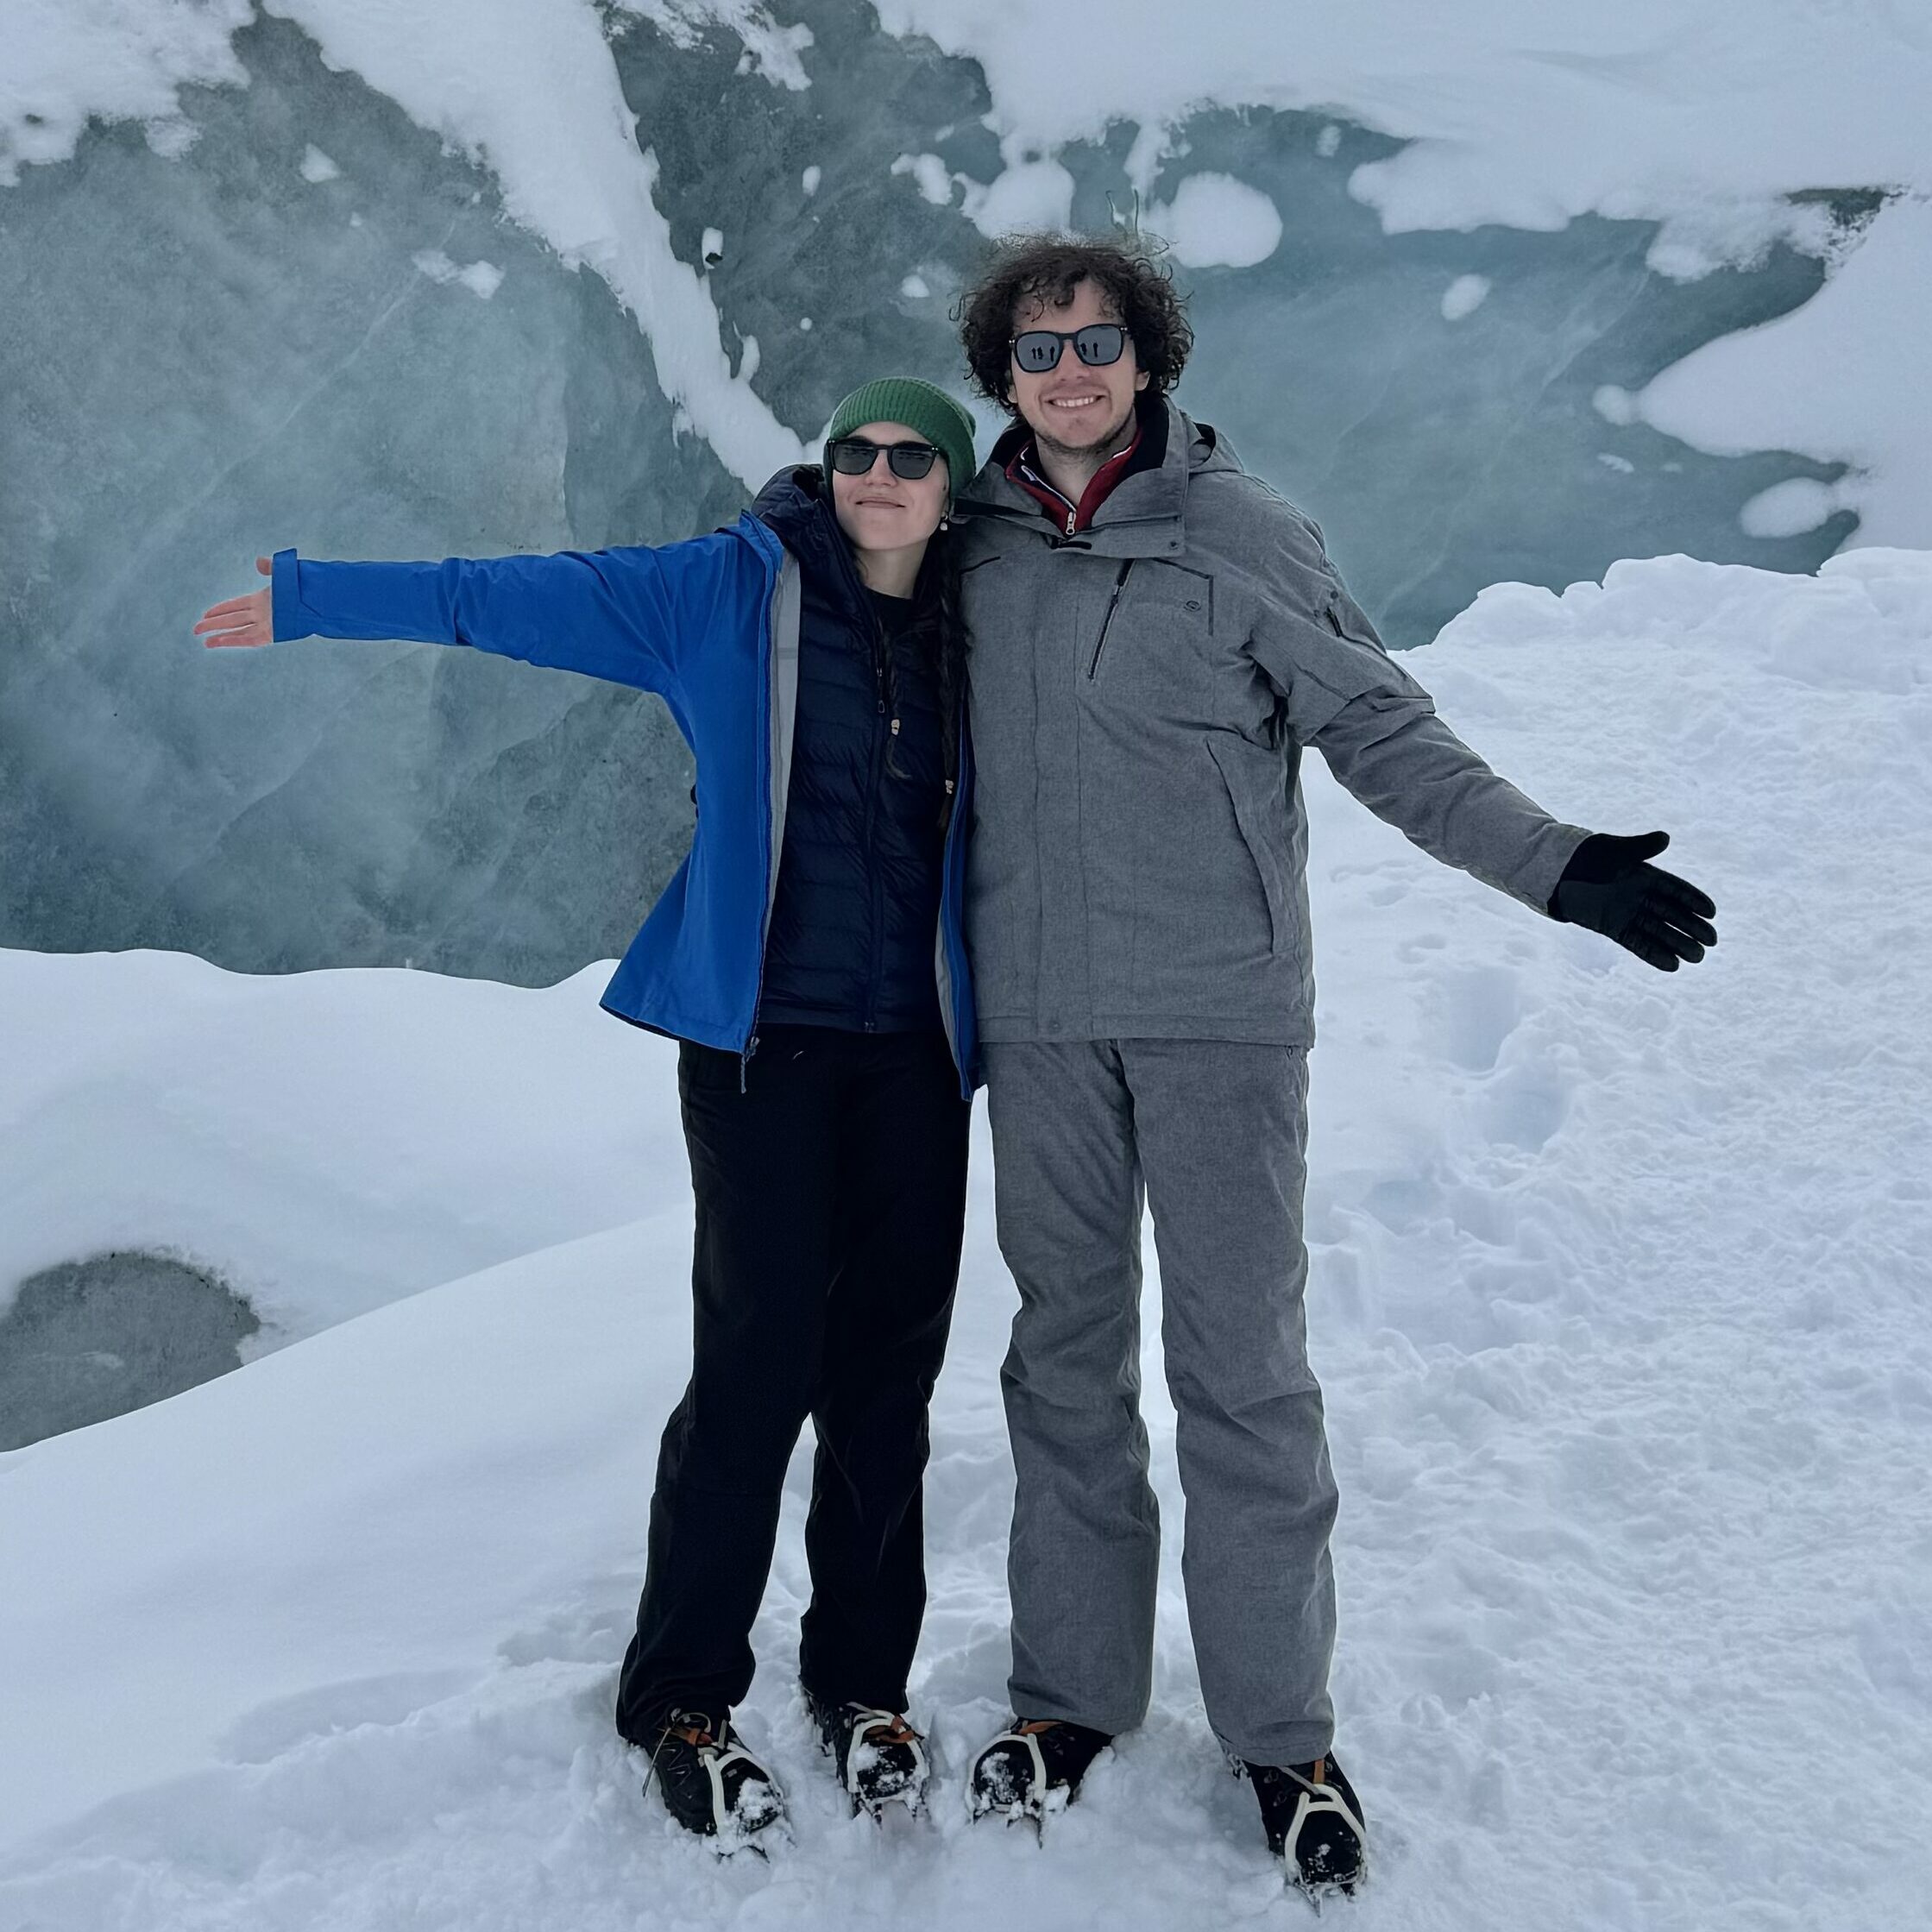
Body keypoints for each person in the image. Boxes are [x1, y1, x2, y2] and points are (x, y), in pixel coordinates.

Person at [947, 235, 1717, 1896]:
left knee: (1244, 1377)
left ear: (1150, 357)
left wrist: (1553, 860)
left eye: (1094, 339)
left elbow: (1382, 730)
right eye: (1032, 348)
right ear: (999, 377)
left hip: (1220, 1008)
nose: (1066, 369)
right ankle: (1070, 1700)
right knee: (1063, 1364)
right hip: (1038, 1020)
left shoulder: (1241, 536)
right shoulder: (974, 544)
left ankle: (1281, 1733)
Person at [192, 377, 985, 1847]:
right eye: (858, 452)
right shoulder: (723, 592)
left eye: (912, 458)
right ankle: (682, 1692)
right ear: (833, 471)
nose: (879, 474)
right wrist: (311, 597)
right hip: (764, 1055)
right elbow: (511, 601)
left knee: (887, 1375)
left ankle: (861, 1686)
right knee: (757, 1369)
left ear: (952, 489)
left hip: (917, 1065)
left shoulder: (975, 629)